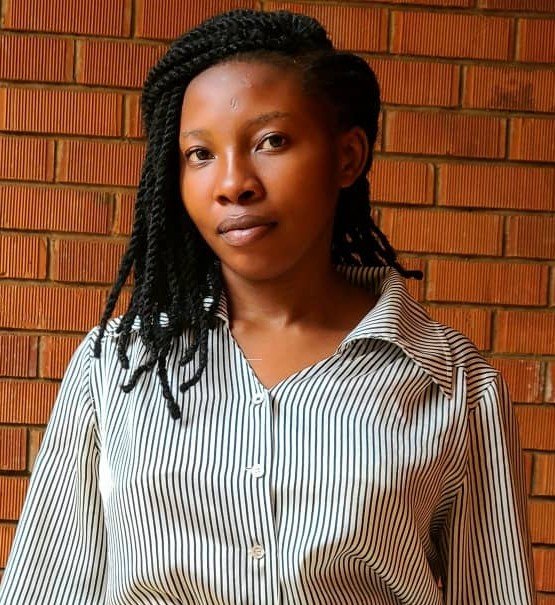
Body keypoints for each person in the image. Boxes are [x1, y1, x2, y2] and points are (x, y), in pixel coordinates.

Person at [0, 8, 536, 605]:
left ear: (347, 157)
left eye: (271, 141)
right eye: (199, 154)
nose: (233, 183)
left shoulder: (455, 385)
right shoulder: (118, 364)